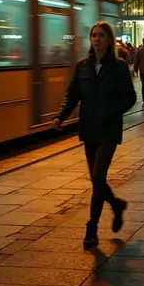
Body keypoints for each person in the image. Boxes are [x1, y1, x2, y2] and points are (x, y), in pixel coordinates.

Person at [54, 21, 136, 250]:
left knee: (98, 176)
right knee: (96, 179)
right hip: (89, 129)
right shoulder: (82, 67)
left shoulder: (119, 67)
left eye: (101, 35)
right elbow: (72, 94)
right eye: (93, 35)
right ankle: (116, 204)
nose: (96, 39)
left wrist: (112, 111)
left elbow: (130, 97)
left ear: (109, 39)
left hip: (108, 129)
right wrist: (61, 115)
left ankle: (91, 228)